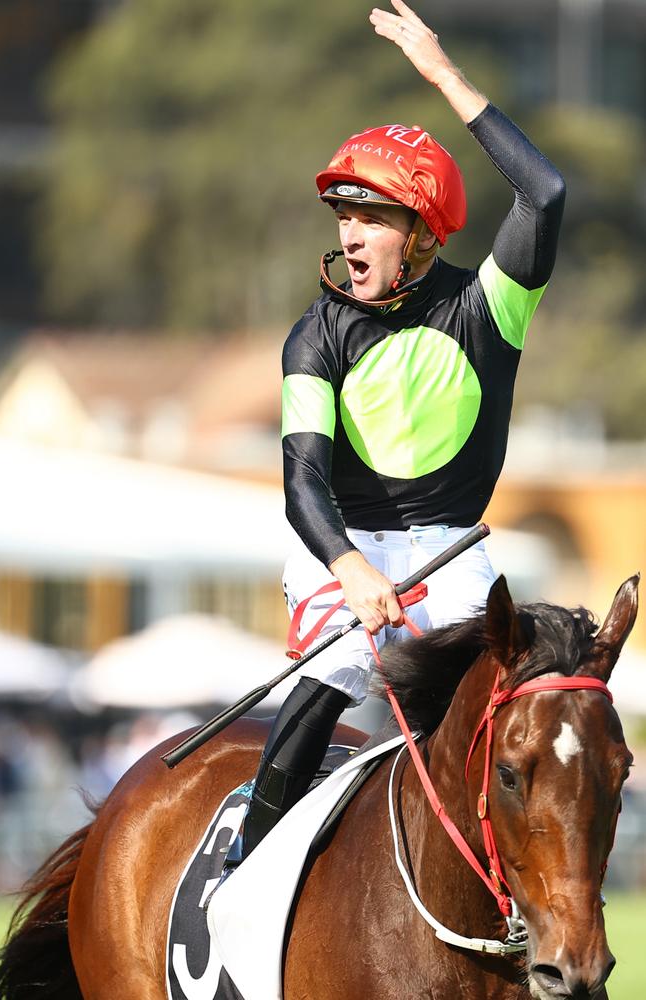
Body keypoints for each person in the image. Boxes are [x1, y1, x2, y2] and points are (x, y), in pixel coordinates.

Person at [236, 0, 566, 861]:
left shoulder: (487, 306)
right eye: (343, 216)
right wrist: (347, 568)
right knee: (327, 683)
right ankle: (245, 864)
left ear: (421, 232)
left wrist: (446, 78)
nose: (350, 234)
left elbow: (547, 191)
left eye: (372, 217)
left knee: (505, 703)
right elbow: (302, 478)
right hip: (340, 544)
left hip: (454, 549)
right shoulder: (315, 333)